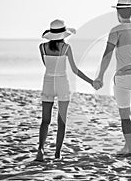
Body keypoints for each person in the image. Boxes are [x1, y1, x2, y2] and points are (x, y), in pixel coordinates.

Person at [94, 0, 131, 157]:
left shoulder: (116, 30)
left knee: (125, 116)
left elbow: (107, 55)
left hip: (124, 78)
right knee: (129, 112)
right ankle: (128, 146)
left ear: (118, 12)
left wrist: (100, 77)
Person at [36, 19, 96, 161]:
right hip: (62, 83)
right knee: (61, 121)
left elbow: (47, 65)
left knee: (45, 120)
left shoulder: (42, 47)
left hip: (48, 83)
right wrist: (91, 82)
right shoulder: (66, 48)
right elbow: (75, 70)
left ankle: (40, 150)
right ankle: (57, 153)